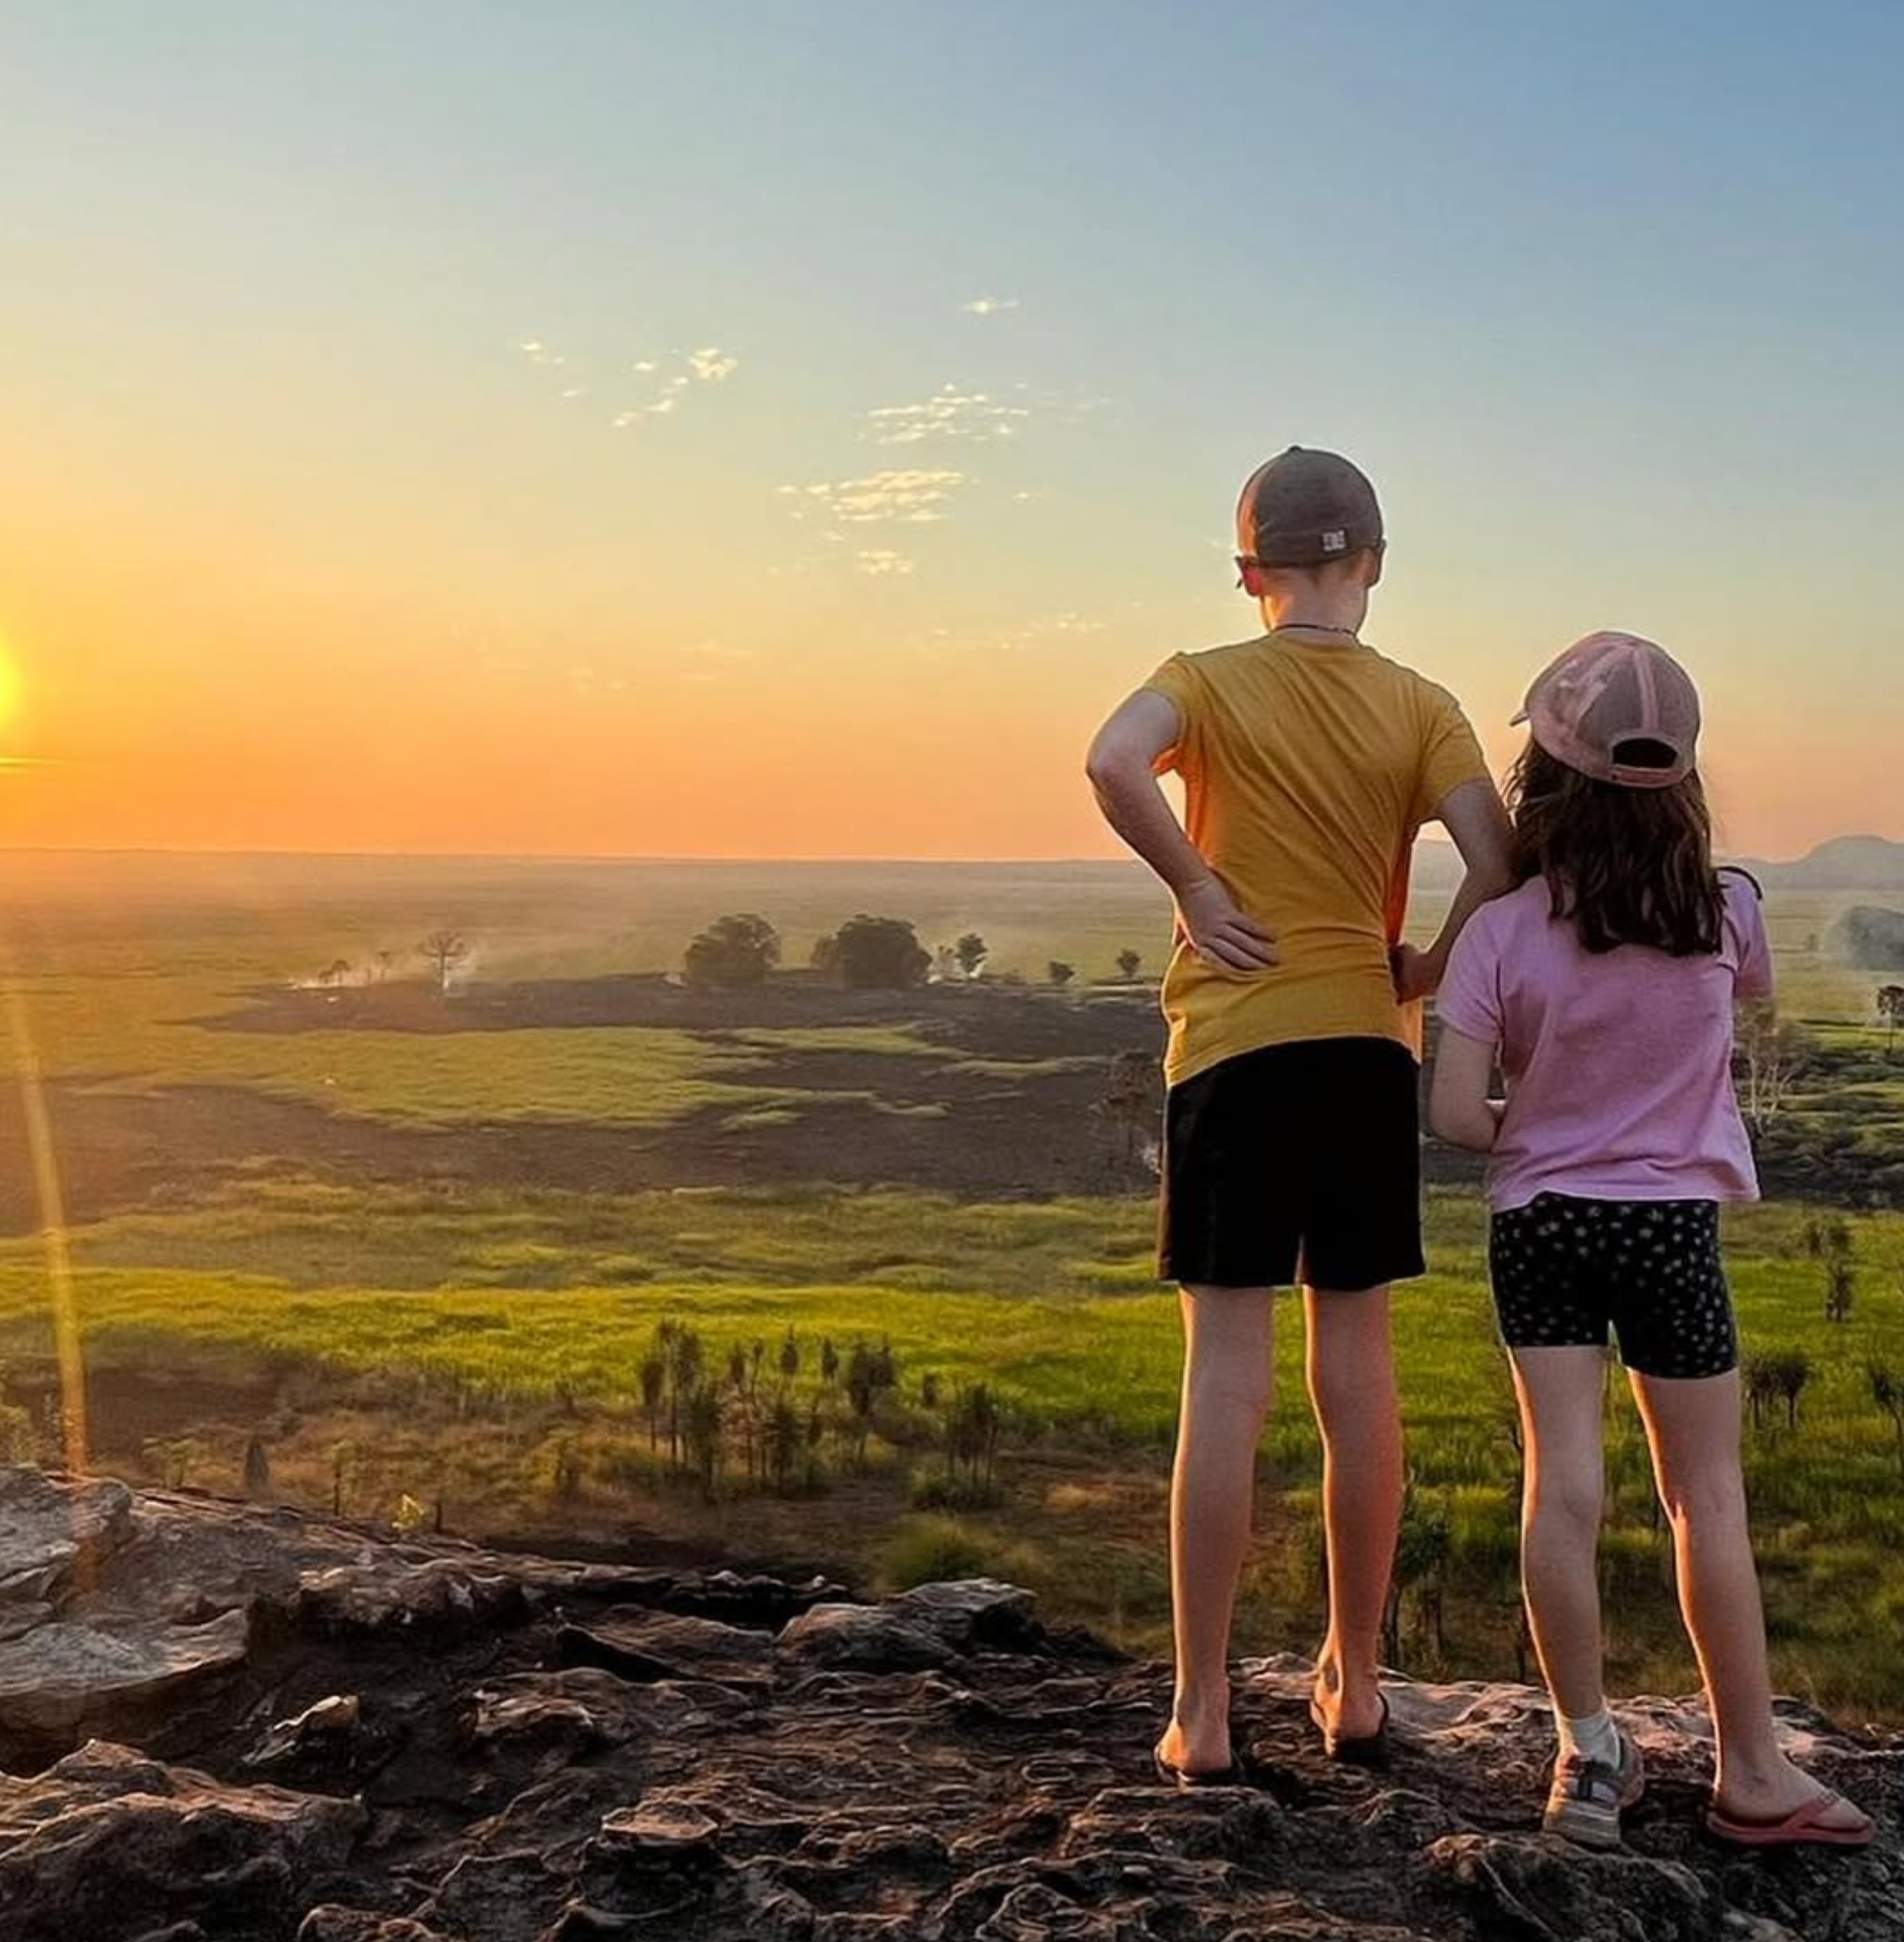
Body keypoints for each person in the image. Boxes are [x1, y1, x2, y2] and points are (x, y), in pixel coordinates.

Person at [1085, 446, 1514, 1785]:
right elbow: (1499, 858)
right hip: (1363, 1056)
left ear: (1251, 571)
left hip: (1231, 1046)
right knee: (1358, 1370)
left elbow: (1111, 760)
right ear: (1373, 563)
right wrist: (1429, 967)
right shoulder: (1423, 705)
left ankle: (1203, 1707)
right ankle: (1358, 1679)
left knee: (1225, 1370)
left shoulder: (1207, 678)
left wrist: (1202, 893)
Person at [1430, 631, 1874, 1850]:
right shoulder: (1727, 908)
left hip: (1543, 1224)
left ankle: (1587, 1754)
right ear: (1681, 777)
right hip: (1674, 1227)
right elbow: (1747, 1004)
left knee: (1561, 1487)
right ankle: (1754, 1769)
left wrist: (1548, 1113)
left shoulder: (1502, 932)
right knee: (1706, 1498)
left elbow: (1459, 1115)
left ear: (1544, 778)